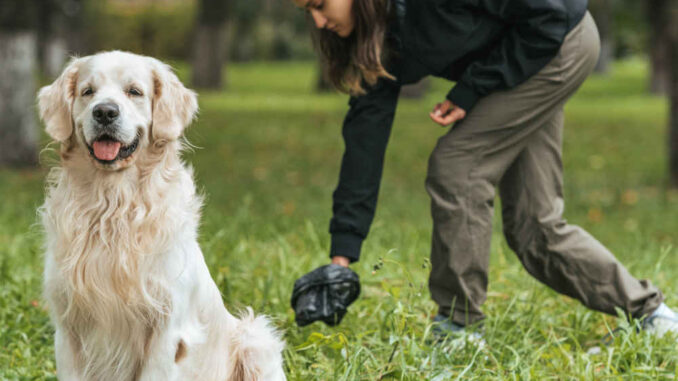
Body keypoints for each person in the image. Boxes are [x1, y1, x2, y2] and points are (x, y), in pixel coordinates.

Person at [291, 0, 678, 339]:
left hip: (556, 42)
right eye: (309, 11)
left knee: (458, 166)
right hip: (521, 56)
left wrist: (471, 89)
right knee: (535, 228)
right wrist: (341, 259)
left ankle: (458, 329)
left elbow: (548, 14)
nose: (320, 22)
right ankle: (653, 317)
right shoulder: (376, 34)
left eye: (320, 4)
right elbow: (366, 139)